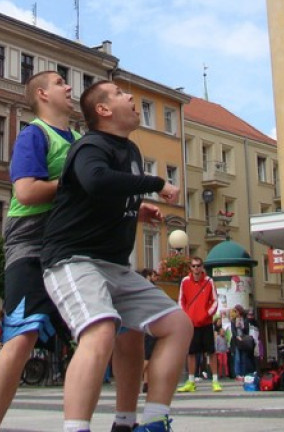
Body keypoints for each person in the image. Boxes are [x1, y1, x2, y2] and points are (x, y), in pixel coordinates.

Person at [0, 71, 143, 432]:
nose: (69, 87)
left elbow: (97, 192)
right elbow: (25, 192)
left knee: (126, 328)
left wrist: (136, 205)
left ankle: (125, 422)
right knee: (22, 338)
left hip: (76, 245)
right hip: (32, 243)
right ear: (42, 94)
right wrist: (75, 184)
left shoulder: (84, 141)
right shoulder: (34, 135)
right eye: (59, 83)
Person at [40, 80, 192, 432]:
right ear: (104, 110)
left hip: (115, 266)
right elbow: (95, 181)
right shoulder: (91, 146)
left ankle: (149, 421)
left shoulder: (132, 152)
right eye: (123, 94)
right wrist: (155, 185)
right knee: (101, 330)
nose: (132, 98)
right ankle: (76, 428)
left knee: (178, 325)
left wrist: (138, 210)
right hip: (72, 261)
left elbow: (104, 196)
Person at [178, 256, 221, 393]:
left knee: (211, 352)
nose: (196, 269)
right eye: (193, 266)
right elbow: (181, 300)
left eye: (198, 266)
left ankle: (215, 380)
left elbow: (215, 301)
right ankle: (191, 381)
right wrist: (186, 316)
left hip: (206, 323)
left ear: (202, 267)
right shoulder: (185, 282)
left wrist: (206, 314)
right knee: (191, 352)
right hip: (191, 323)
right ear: (190, 268)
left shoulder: (209, 281)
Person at [230, 305, 254, 378]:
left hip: (243, 340)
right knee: (237, 358)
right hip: (237, 341)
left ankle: (243, 373)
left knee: (243, 357)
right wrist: (237, 336)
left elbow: (247, 330)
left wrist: (242, 326)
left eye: (236, 311)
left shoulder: (245, 320)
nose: (235, 313)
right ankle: (237, 374)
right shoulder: (233, 320)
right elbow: (233, 330)